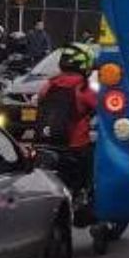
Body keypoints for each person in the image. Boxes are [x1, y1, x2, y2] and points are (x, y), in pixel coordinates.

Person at [35, 42, 99, 199]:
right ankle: (84, 195)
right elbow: (100, 107)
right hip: (74, 146)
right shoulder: (82, 88)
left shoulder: (48, 84)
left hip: (44, 142)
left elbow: (39, 102)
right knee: (92, 167)